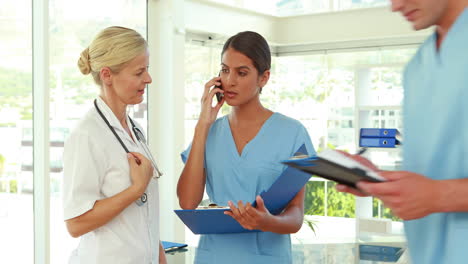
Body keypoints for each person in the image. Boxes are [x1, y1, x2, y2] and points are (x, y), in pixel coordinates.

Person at [336, 1, 468, 263]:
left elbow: (434, 190)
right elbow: (433, 170)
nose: (395, 6)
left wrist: (438, 195)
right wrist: (379, 180)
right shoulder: (417, 69)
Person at [177, 31, 315, 264]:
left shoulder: (293, 133)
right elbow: (188, 202)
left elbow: (296, 215)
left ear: (264, 77)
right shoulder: (209, 132)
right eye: (224, 70)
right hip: (214, 257)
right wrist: (202, 125)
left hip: (267, 258)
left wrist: (266, 221)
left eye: (242, 73)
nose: (230, 80)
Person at [62, 26, 166, 264]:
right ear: (107, 75)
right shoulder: (86, 136)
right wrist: (135, 190)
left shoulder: (135, 129)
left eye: (147, 69)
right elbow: (75, 224)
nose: (148, 79)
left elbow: (145, 217)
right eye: (139, 72)